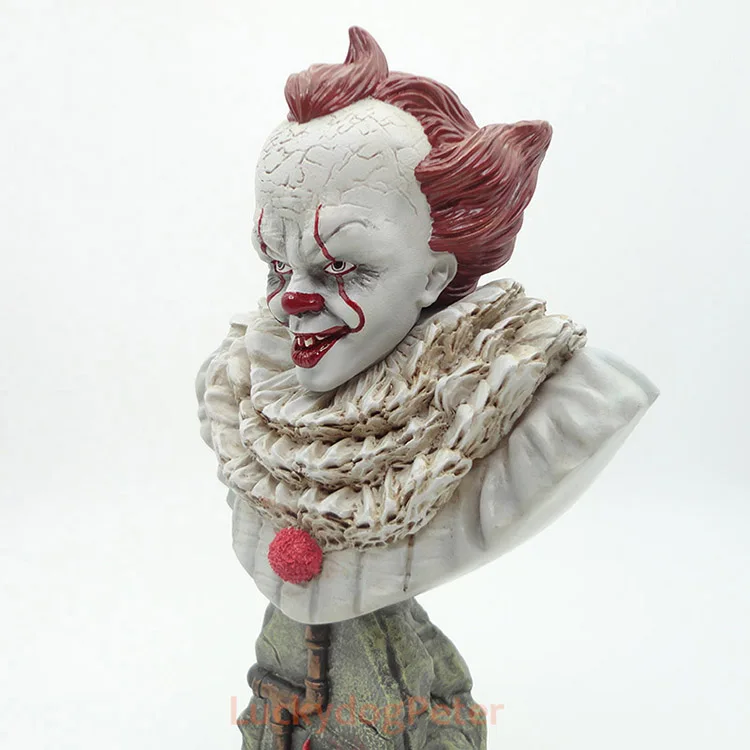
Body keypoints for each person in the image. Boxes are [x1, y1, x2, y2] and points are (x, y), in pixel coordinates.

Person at [197, 27, 658, 750]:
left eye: (341, 267)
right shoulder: (242, 396)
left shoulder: (553, 407)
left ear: (436, 273)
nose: (291, 302)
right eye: (277, 263)